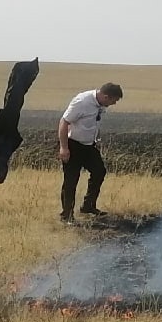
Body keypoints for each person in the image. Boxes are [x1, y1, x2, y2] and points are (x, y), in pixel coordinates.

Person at [58, 82, 124, 222]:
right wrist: (64, 148)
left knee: (99, 171)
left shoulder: (100, 104)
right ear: (106, 97)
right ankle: (67, 215)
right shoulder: (82, 102)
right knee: (71, 181)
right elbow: (64, 122)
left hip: (89, 146)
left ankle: (88, 206)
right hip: (73, 145)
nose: (114, 103)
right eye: (114, 100)